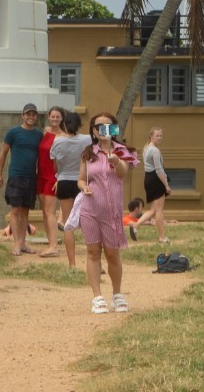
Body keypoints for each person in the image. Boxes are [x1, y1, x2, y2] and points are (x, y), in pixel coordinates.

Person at [78, 111, 131, 313]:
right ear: (93, 130)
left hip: (112, 212)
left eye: (107, 126)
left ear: (114, 129)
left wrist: (115, 161)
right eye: (99, 127)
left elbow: (123, 172)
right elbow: (81, 178)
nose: (103, 130)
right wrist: (84, 187)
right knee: (93, 253)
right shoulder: (88, 153)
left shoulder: (121, 150)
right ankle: (97, 297)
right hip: (90, 210)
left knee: (112, 254)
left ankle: (117, 294)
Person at [0, 104, 44, 257]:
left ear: (36, 117)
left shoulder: (38, 135)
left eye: (33, 115)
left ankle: (23, 243)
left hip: (31, 177)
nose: (31, 117)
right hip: (16, 176)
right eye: (28, 114)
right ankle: (16, 243)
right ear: (22, 116)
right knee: (15, 210)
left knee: (25, 212)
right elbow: (3, 153)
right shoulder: (13, 133)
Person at [48, 109, 87, 267]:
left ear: (64, 124)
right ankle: (95, 261)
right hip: (80, 181)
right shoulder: (86, 139)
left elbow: (55, 167)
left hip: (64, 181)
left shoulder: (57, 141)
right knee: (87, 222)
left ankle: (72, 263)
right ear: (79, 125)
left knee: (68, 222)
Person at [35, 107, 65, 255]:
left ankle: (54, 246)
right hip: (40, 175)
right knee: (44, 212)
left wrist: (60, 177)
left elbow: (65, 159)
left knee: (50, 211)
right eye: (52, 117)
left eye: (57, 117)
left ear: (62, 118)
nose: (55, 119)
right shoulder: (46, 132)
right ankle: (50, 242)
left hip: (53, 177)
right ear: (48, 117)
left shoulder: (63, 136)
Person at [136, 127, 172, 244]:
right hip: (155, 180)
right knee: (159, 210)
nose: (159, 137)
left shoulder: (147, 148)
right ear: (151, 136)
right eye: (157, 135)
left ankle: (135, 226)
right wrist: (166, 185)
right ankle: (162, 237)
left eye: (160, 135)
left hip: (148, 179)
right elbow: (159, 170)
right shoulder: (154, 151)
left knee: (153, 209)